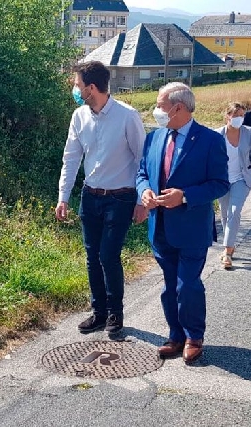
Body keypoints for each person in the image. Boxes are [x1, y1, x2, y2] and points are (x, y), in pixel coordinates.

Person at [136, 82, 229, 363]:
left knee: (187, 284)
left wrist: (185, 196)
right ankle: (175, 335)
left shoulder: (210, 140)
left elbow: (220, 184)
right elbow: (142, 173)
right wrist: (145, 193)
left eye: (160, 105)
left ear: (177, 107)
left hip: (191, 229)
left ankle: (193, 336)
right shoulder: (154, 138)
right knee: (168, 286)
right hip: (160, 226)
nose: (156, 110)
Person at [55, 61, 147, 334]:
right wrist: (63, 197)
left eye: (77, 84)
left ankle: (115, 314)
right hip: (90, 196)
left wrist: (142, 201)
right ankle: (99, 312)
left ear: (91, 88)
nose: (75, 88)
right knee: (92, 257)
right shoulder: (79, 116)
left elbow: (143, 160)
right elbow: (71, 158)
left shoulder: (127, 116)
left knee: (108, 255)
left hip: (121, 198)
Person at [215, 103, 251, 269]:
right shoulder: (217, 135)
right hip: (222, 180)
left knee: (234, 211)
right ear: (228, 116)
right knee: (226, 214)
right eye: (236, 115)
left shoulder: (249, 132)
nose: (239, 119)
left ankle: (227, 252)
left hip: (242, 178)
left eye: (241, 115)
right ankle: (231, 244)